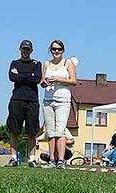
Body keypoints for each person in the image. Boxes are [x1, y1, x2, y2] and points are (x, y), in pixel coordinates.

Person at [5, 39, 42, 167]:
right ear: (19, 49)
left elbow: (37, 79)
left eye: (28, 49)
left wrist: (21, 75)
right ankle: (13, 158)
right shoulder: (14, 63)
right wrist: (29, 75)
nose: (25, 51)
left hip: (32, 100)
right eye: (23, 49)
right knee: (15, 131)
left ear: (31, 50)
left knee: (32, 131)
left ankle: (32, 159)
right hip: (17, 100)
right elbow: (12, 78)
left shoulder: (37, 64)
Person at [41, 40, 77, 169]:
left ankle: (61, 160)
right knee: (50, 132)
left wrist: (58, 80)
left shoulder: (68, 63)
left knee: (60, 131)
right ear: (50, 50)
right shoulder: (46, 64)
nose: (56, 51)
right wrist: (44, 83)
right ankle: (51, 160)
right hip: (48, 101)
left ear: (63, 50)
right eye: (54, 49)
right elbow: (42, 81)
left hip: (63, 100)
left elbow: (73, 81)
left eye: (59, 49)